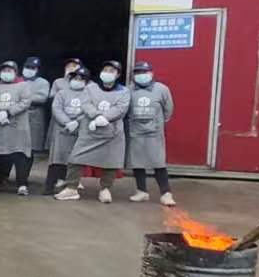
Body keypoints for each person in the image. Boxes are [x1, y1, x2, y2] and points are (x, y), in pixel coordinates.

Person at [60, 60, 130, 202]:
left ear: (118, 75)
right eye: (105, 70)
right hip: (89, 131)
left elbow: (121, 108)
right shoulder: (91, 88)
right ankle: (71, 188)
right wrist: (97, 116)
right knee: (75, 158)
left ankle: (105, 189)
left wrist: (105, 118)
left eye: (111, 71)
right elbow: (86, 104)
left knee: (110, 162)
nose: (107, 73)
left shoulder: (124, 91)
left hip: (112, 134)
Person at [126, 60, 177, 205]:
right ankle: (141, 191)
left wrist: (157, 124)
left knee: (158, 163)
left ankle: (166, 193)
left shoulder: (162, 89)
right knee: (137, 163)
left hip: (154, 133)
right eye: (138, 72)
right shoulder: (128, 90)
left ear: (151, 73)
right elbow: (125, 110)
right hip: (135, 132)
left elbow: (168, 110)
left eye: (145, 72)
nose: (141, 75)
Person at [0, 60, 36, 195]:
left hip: (18, 129)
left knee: (20, 156)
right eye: (4, 71)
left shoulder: (23, 86)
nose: (6, 73)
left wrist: (8, 112)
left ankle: (22, 184)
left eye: (9, 71)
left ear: (15, 72)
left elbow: (25, 102)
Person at [46, 63, 92, 195]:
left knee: (74, 159)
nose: (77, 81)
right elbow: (56, 108)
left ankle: (72, 184)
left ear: (86, 81)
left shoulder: (90, 94)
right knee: (57, 158)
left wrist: (77, 121)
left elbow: (90, 110)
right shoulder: (62, 93)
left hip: (79, 130)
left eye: (81, 79)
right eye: (75, 78)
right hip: (62, 129)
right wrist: (67, 122)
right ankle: (49, 186)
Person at [23, 56, 52, 159]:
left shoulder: (43, 82)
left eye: (33, 68)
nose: (29, 69)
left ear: (38, 70)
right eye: (27, 67)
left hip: (34, 114)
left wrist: (23, 98)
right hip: (18, 114)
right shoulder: (18, 80)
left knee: (31, 145)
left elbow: (42, 98)